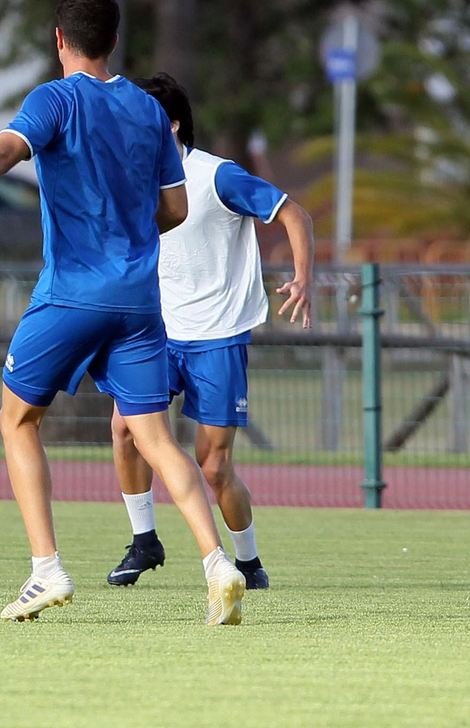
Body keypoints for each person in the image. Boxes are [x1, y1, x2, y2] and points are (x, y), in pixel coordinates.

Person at [0, 0, 247, 626]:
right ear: (113, 41)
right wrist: (129, 235)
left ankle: (46, 571)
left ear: (60, 39)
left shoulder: (54, 99)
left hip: (73, 292)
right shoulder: (146, 108)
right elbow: (174, 209)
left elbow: (5, 153)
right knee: (157, 436)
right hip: (141, 298)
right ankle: (216, 562)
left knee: (15, 419)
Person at [105, 73, 314, 592]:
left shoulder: (217, 177)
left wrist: (304, 277)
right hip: (155, 332)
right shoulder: (132, 179)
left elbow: (294, 213)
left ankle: (248, 561)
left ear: (172, 123)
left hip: (218, 335)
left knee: (214, 467)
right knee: (124, 430)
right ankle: (144, 540)